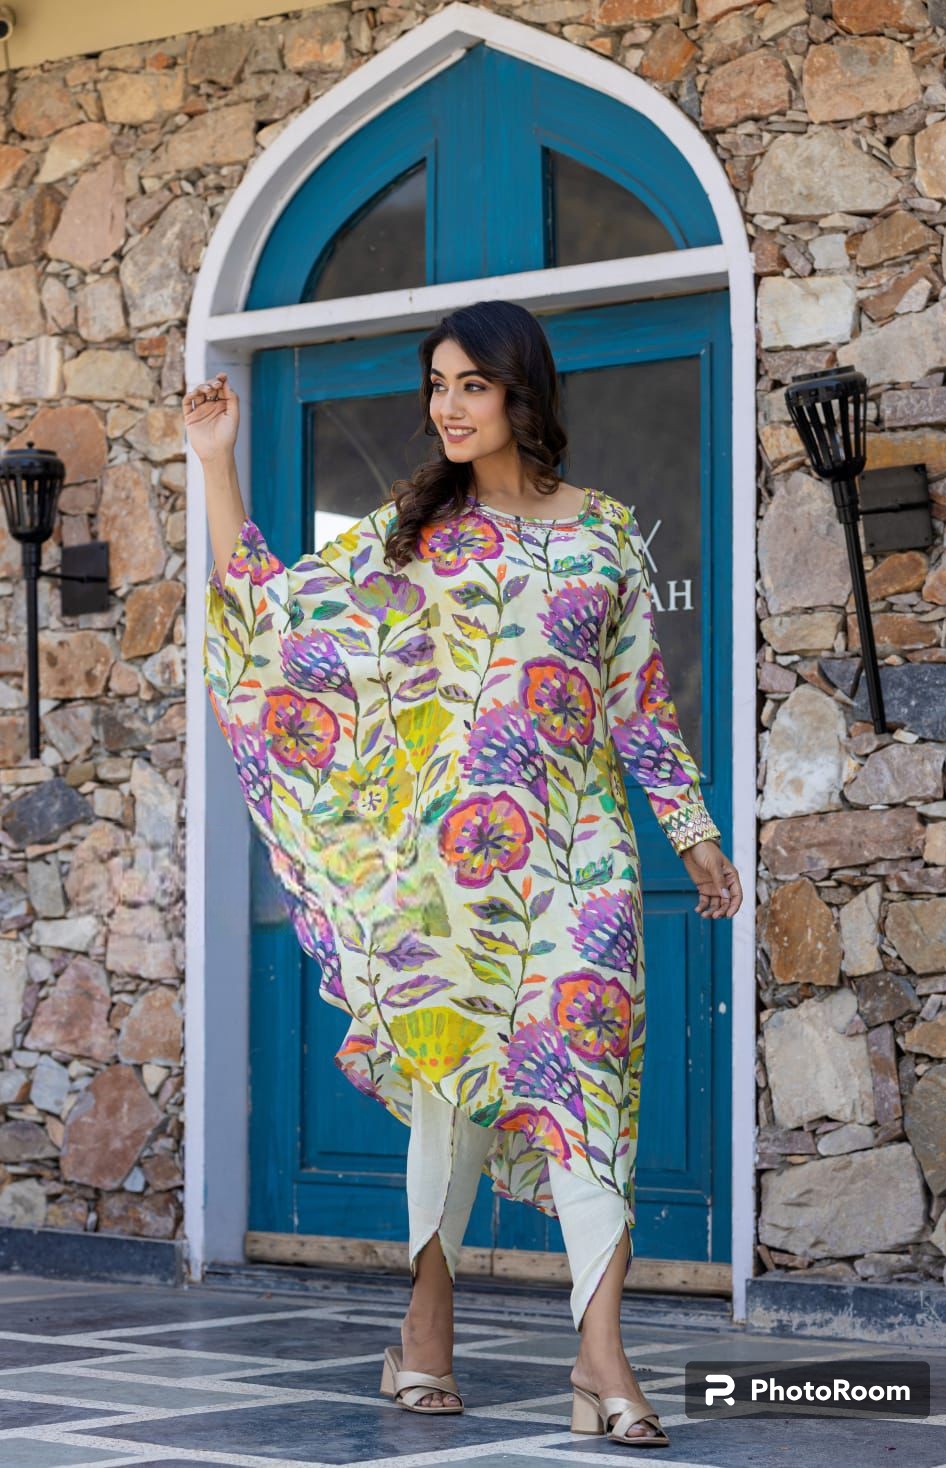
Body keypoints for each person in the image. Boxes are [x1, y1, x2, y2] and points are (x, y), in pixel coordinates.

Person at [187, 299, 742, 1447]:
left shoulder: (606, 534)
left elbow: (639, 707)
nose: (446, 405)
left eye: (469, 384)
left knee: (594, 1089)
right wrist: (215, 462)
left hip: (584, 856)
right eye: (436, 384)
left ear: (519, 392)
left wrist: (692, 834)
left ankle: (599, 1355)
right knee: (450, 1100)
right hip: (450, 870)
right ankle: (424, 1327)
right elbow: (275, 621)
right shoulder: (417, 534)